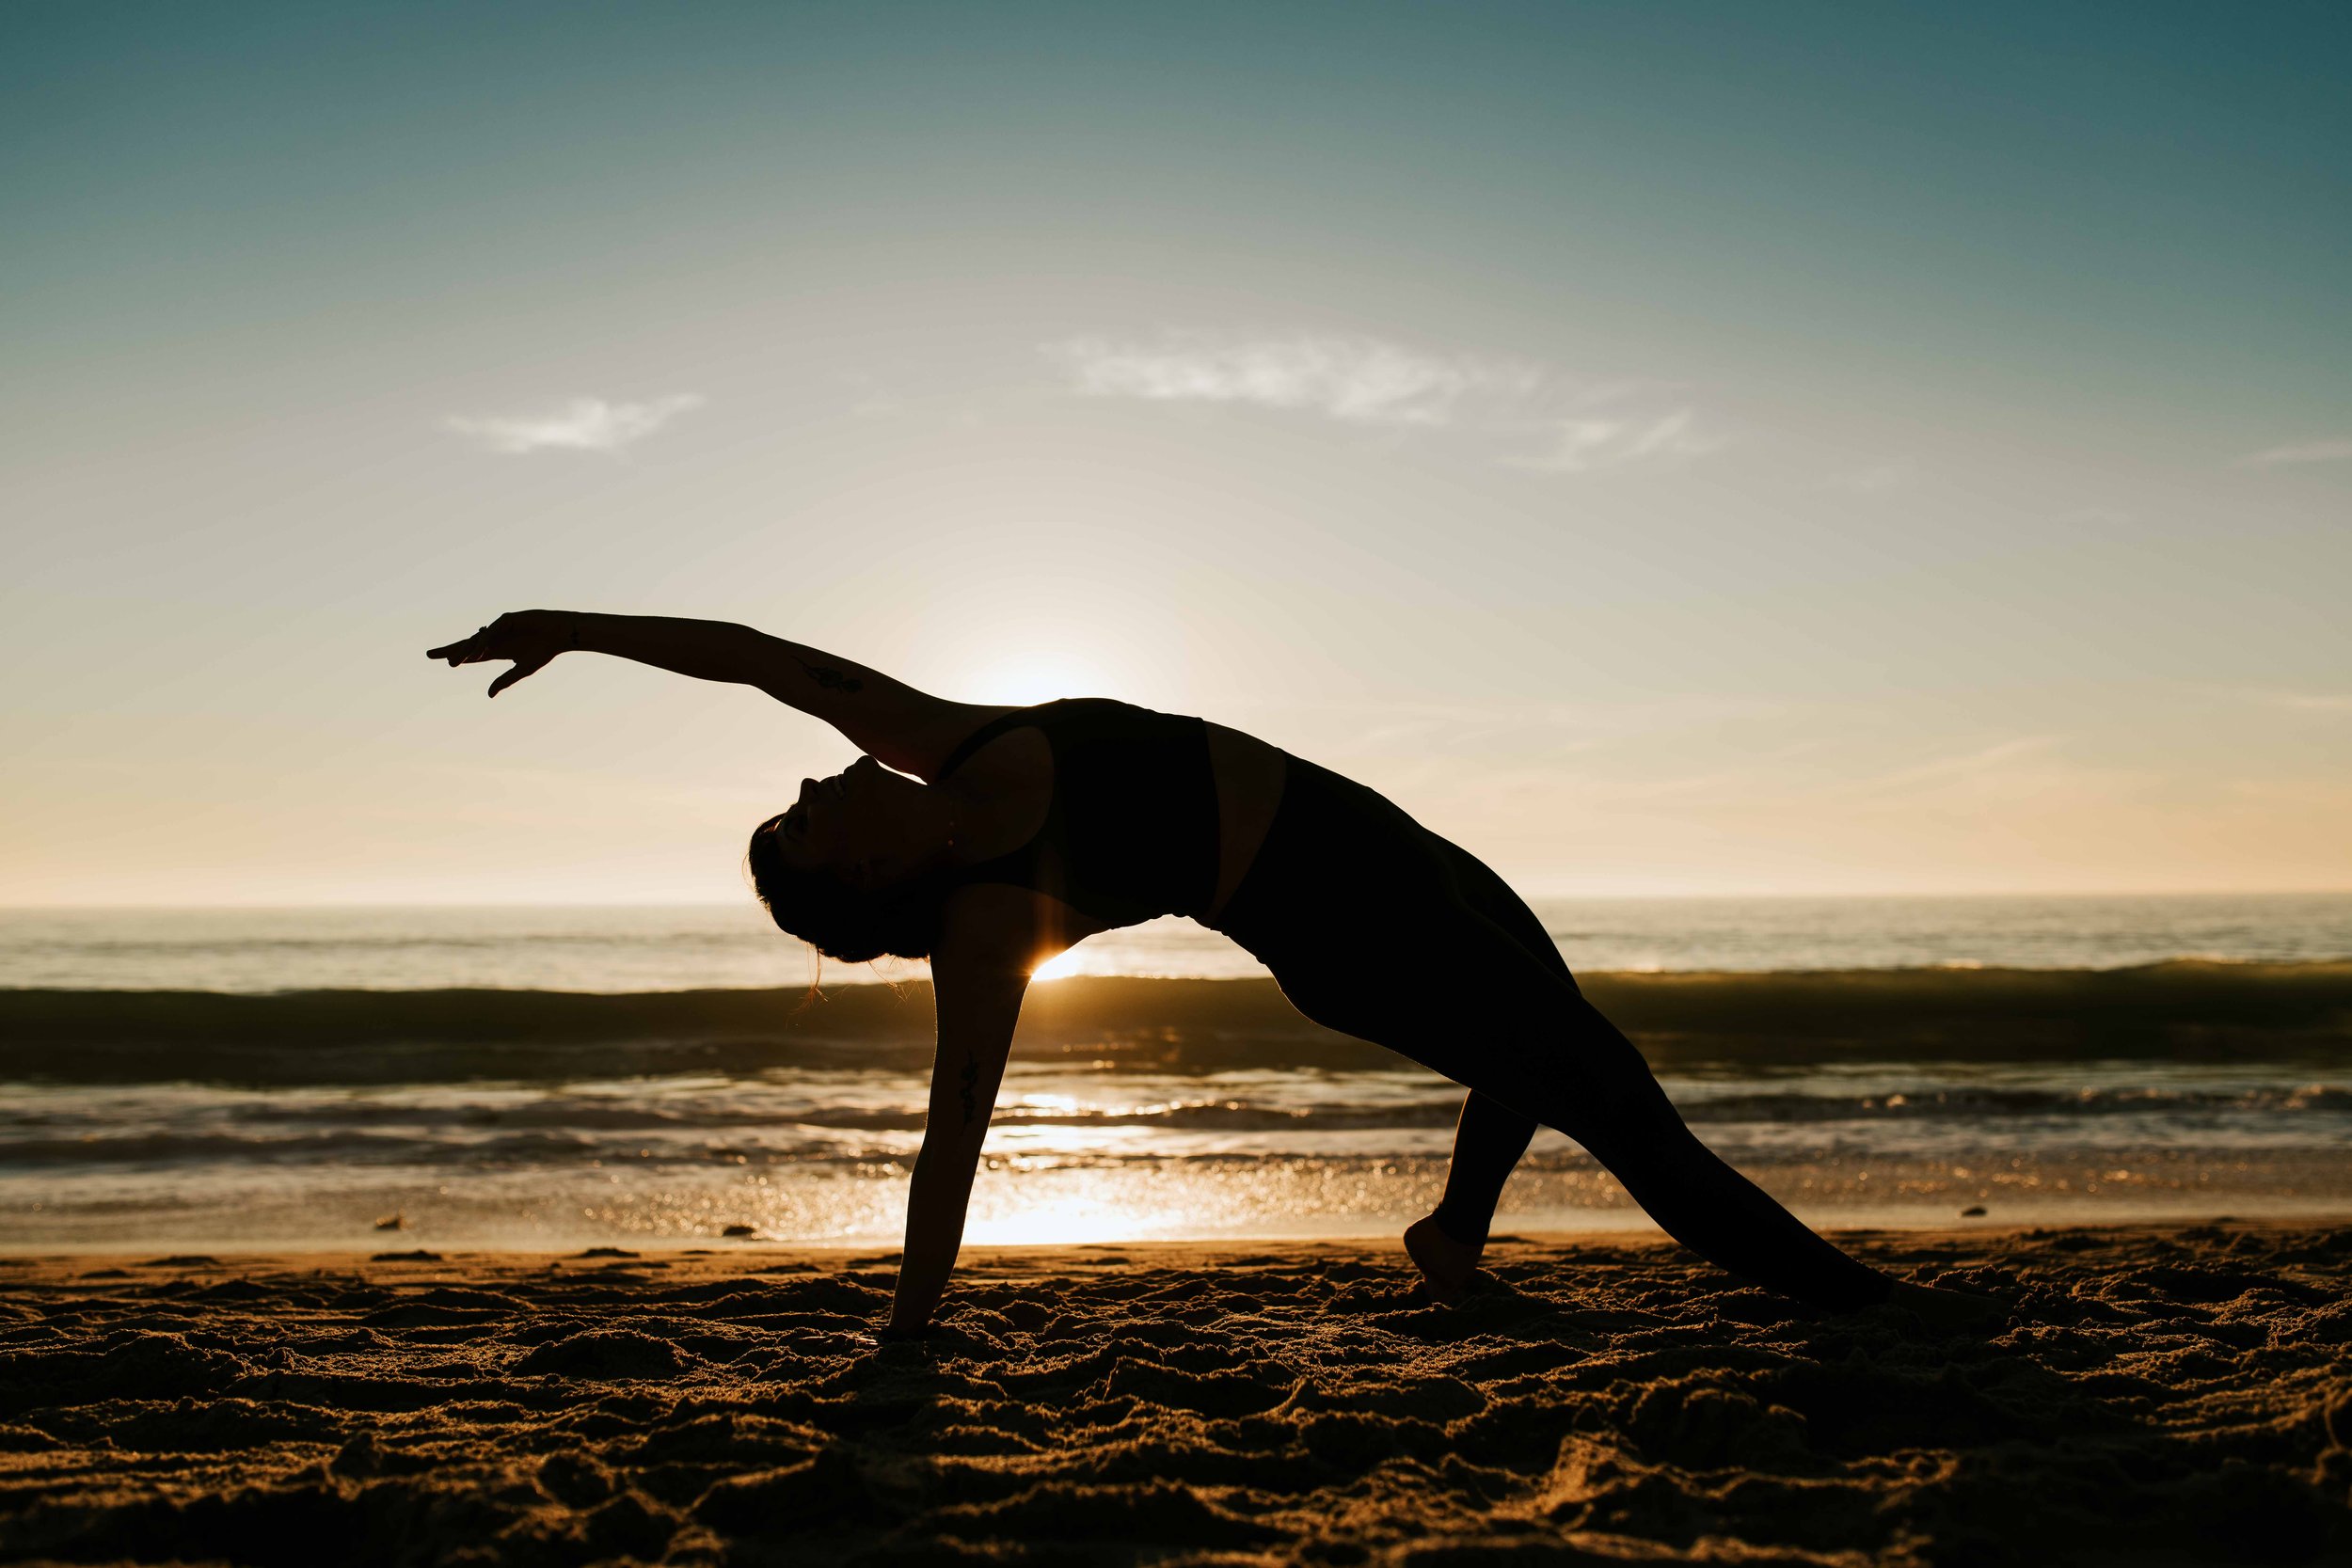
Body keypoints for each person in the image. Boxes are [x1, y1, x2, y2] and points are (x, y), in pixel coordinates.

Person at [428, 610, 2002, 1335]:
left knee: (1554, 1042)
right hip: (1345, 926)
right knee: (1616, 1102)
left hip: (1382, 835)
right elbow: (954, 1133)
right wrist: (912, 1330)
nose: (820, 782)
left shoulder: (930, 737)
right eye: (805, 814)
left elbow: (765, 658)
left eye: (811, 785)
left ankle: (1451, 1241)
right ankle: (1870, 1307)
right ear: (857, 876)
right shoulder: (984, 925)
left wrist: (571, 625)